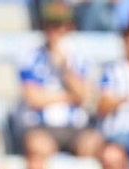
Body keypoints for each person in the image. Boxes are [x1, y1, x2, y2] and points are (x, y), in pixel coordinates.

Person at [18, 2, 100, 156]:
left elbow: (83, 96)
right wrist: (70, 97)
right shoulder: (30, 57)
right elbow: (33, 99)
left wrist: (64, 68)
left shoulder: (80, 57)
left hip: (75, 128)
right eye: (52, 25)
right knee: (38, 146)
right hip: (42, 127)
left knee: (92, 144)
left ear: (69, 27)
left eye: (61, 25)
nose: (56, 31)